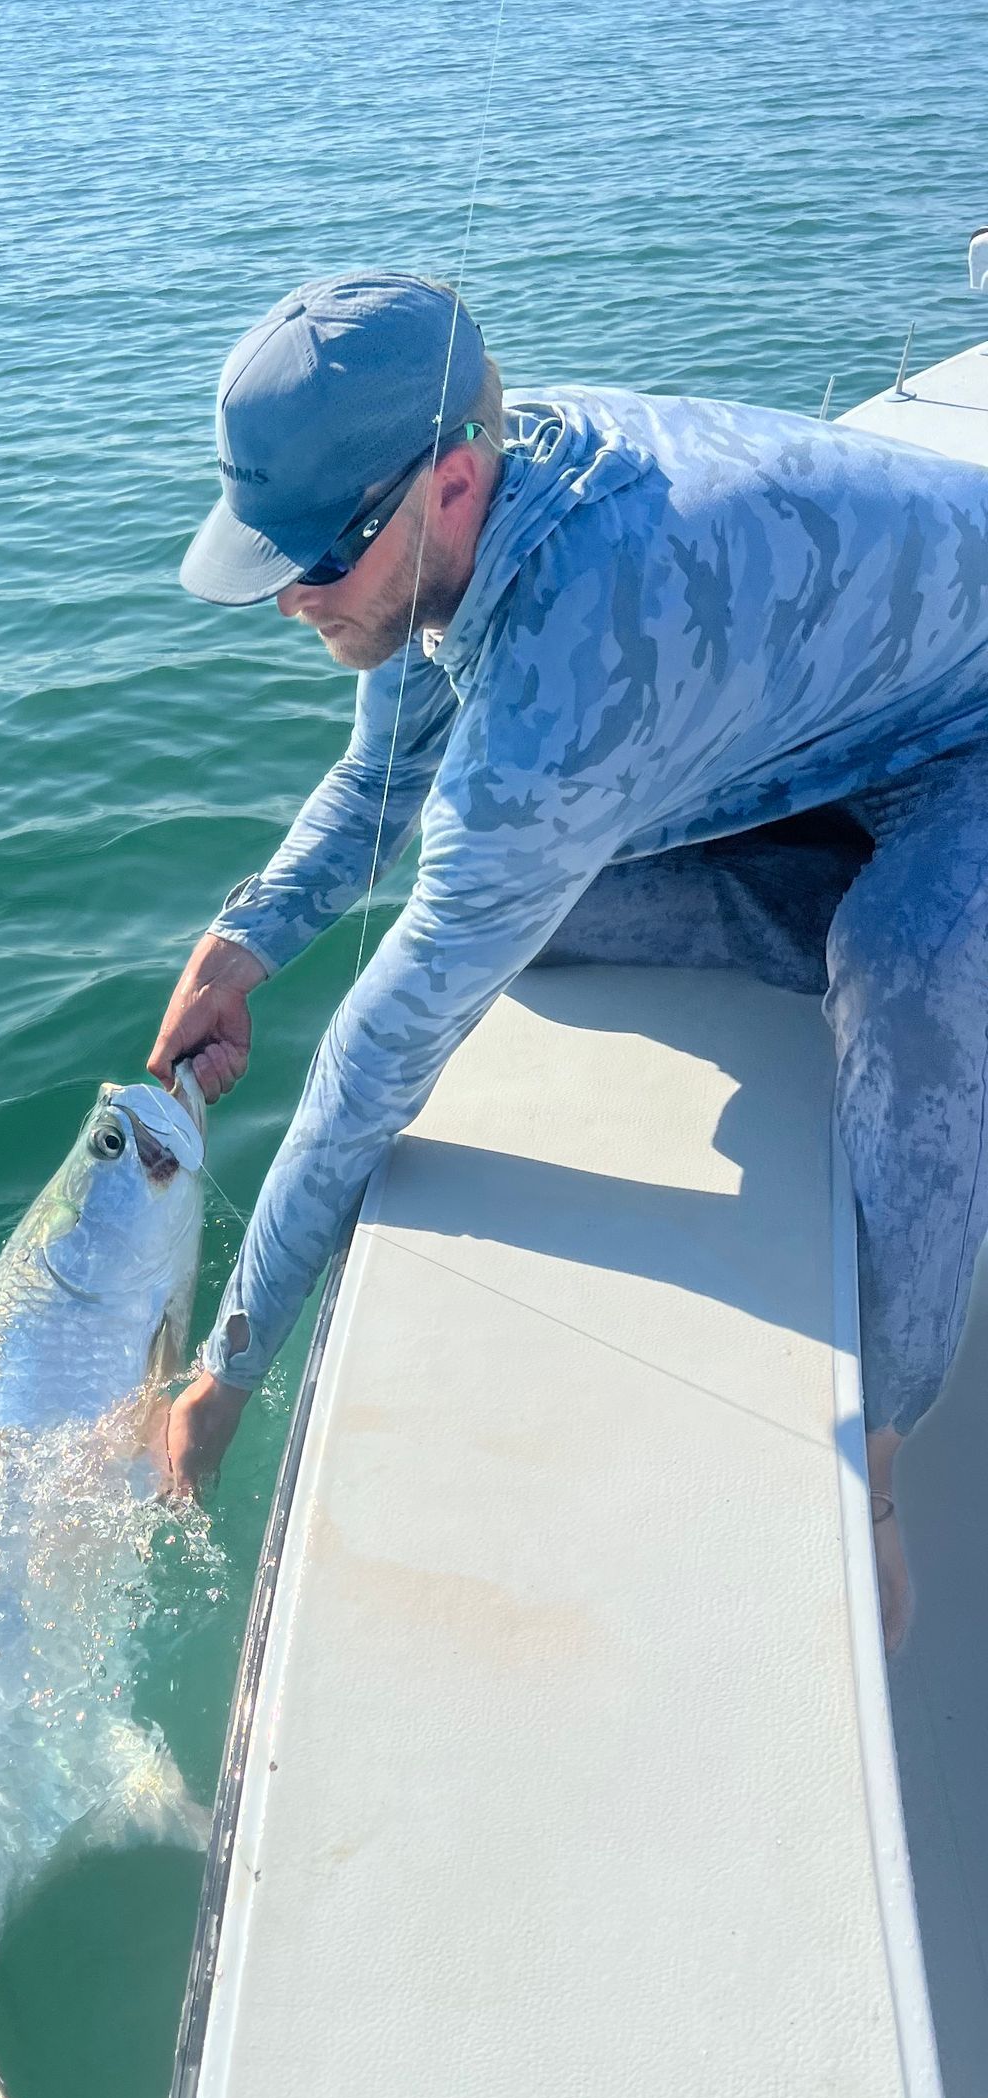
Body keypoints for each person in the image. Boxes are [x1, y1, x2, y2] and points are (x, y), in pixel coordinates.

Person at [150, 272, 988, 1648]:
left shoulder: (566, 682)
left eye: (309, 565)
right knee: (537, 927)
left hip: (972, 729)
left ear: (456, 486)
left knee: (908, 988)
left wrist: (222, 1383)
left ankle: (882, 1459)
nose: (285, 603)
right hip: (831, 711)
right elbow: (383, 777)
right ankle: (862, 900)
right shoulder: (466, 490)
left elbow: (380, 1057)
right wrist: (244, 941)